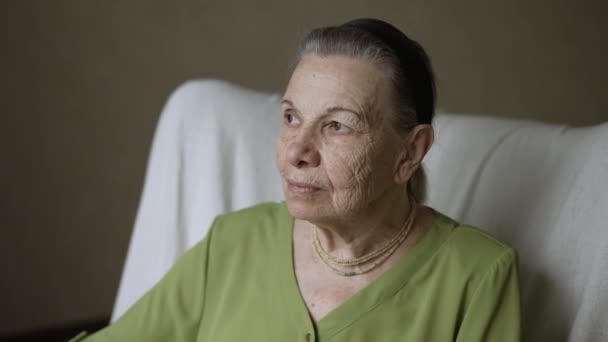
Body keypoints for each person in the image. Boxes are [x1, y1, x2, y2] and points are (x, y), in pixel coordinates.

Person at [70, 18, 521, 341]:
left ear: (410, 152)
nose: (296, 151)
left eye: (337, 125)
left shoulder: (477, 276)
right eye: (291, 117)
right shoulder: (232, 242)